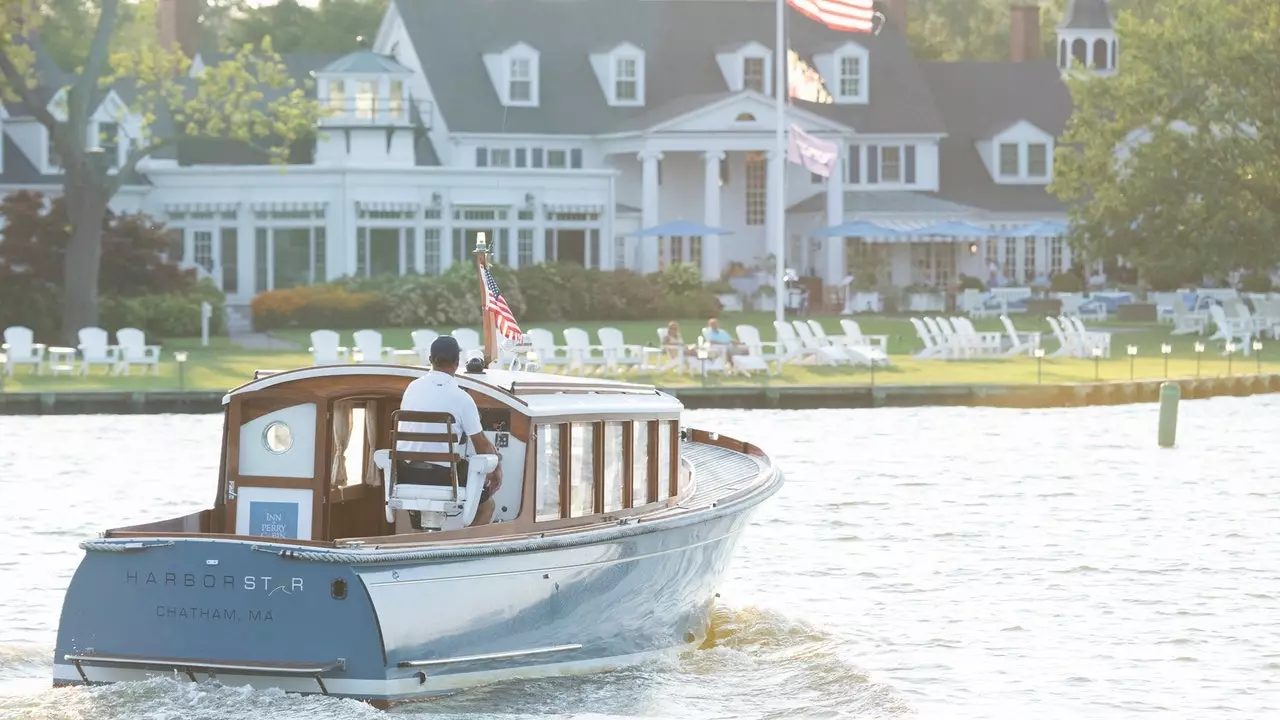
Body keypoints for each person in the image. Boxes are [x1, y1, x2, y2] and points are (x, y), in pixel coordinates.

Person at [397, 336, 502, 528]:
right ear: (457, 362)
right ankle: (464, 550)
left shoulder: (411, 389)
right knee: (487, 506)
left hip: (406, 473)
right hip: (445, 477)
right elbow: (481, 445)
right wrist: (496, 469)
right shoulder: (462, 398)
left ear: (430, 359)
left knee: (421, 501)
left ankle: (421, 542)